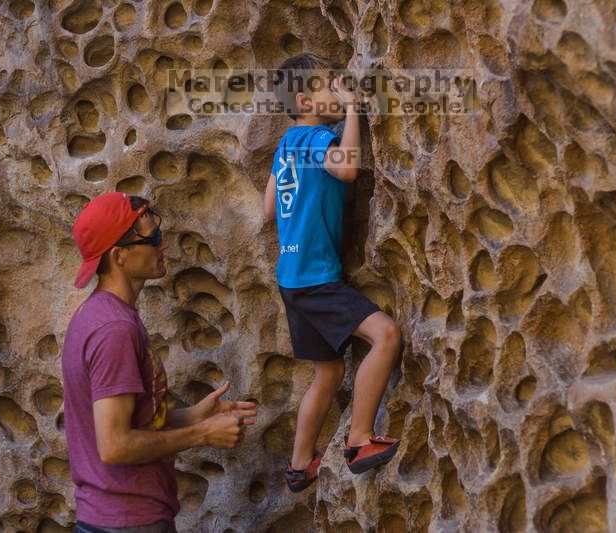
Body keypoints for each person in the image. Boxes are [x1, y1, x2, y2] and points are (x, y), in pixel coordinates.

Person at [62, 192, 256, 532]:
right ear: (119, 255)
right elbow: (115, 444)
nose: (163, 246)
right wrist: (203, 433)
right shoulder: (115, 330)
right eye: (152, 239)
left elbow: (131, 421)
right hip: (127, 523)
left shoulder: (96, 316)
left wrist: (195, 415)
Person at [263, 53, 403, 493]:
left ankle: (300, 463)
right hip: (317, 278)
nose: (337, 87)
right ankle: (360, 439)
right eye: (327, 85)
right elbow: (346, 168)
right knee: (386, 336)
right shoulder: (314, 139)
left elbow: (269, 208)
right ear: (305, 100)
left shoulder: (286, 145)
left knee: (327, 373)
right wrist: (352, 111)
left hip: (290, 276)